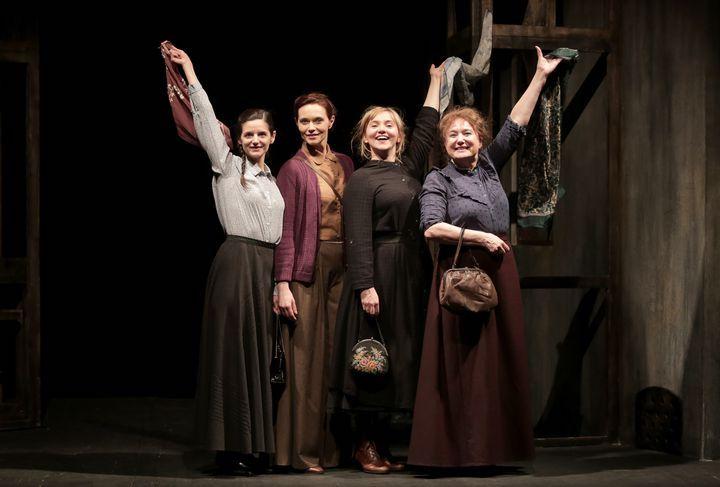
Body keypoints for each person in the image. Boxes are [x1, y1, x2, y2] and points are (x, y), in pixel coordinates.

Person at [407, 46, 561, 469]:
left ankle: (493, 450)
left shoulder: (490, 167)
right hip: (461, 272)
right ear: (444, 144)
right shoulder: (439, 178)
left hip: (500, 271)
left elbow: (516, 124)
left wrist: (540, 77)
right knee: (464, 366)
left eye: (467, 133)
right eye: (452, 135)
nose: (460, 139)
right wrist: (482, 237)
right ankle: (457, 451)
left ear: (479, 139)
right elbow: (431, 227)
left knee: (499, 362)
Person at [167, 46, 285, 476]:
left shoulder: (277, 180)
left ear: (273, 137)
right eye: (248, 133)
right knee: (233, 357)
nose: (255, 139)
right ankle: (228, 448)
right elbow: (204, 119)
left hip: (270, 269)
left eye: (262, 134)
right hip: (236, 266)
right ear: (239, 137)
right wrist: (192, 73)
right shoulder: (226, 164)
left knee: (261, 358)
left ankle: (258, 446)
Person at [330, 63, 443, 474]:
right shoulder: (362, 179)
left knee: (401, 356)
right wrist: (365, 285)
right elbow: (356, 235)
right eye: (374, 125)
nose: (383, 129)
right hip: (379, 272)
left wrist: (435, 83)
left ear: (399, 134)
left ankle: (382, 442)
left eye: (390, 125)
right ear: (363, 136)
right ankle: (364, 444)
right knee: (372, 358)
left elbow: (428, 126)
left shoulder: (408, 169)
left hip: (411, 273)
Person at [272, 93, 354, 473]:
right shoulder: (292, 169)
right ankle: (302, 452)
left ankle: (333, 450)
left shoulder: (346, 164)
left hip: (345, 268)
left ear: (331, 120)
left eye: (317, 120)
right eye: (304, 121)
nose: (311, 127)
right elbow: (284, 231)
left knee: (335, 360)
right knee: (305, 361)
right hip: (309, 268)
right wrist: (283, 282)